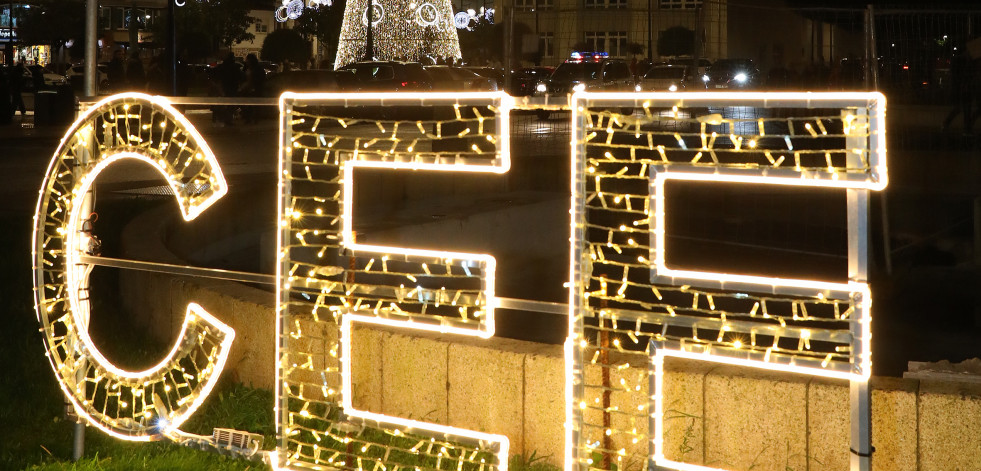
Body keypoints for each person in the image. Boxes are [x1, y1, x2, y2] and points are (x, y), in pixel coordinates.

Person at [942, 47, 976, 135]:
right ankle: (965, 128)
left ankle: (965, 128)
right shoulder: (962, 62)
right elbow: (961, 76)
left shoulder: (964, 62)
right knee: (963, 109)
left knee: (964, 109)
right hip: (962, 89)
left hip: (964, 89)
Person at [214, 52, 243, 125]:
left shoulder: (222, 67)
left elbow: (216, 76)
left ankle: (222, 118)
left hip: (224, 87)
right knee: (230, 105)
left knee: (224, 104)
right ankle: (228, 119)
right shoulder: (234, 67)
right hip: (231, 88)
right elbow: (240, 76)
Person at [239, 53, 266, 124]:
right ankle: (248, 118)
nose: (246, 61)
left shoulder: (257, 69)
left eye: (247, 59)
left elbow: (260, 79)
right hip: (247, 89)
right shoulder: (247, 68)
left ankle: (254, 119)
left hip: (254, 89)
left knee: (254, 105)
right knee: (247, 105)